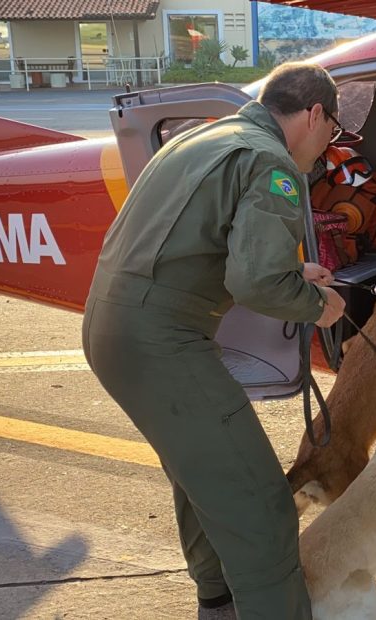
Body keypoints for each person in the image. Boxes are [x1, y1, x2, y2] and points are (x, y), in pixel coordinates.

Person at [81, 62, 346, 619]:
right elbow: (252, 282)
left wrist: (295, 276)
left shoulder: (206, 133)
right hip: (161, 339)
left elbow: (207, 246)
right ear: (315, 113)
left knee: (205, 481)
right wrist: (318, 306)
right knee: (259, 505)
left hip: (113, 326)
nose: (328, 148)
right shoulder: (269, 161)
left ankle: (219, 603)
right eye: (333, 133)